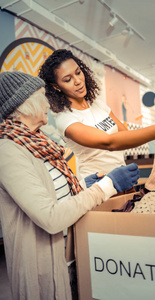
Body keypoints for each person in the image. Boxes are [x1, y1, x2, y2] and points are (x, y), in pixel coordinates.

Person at [0, 71, 140, 300]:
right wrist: (107, 186)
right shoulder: (8, 152)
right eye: (41, 96)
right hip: (44, 263)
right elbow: (51, 216)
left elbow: (50, 192)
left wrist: (84, 184)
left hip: (68, 252)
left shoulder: (38, 142)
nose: (47, 102)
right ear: (24, 104)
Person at [38, 49, 155, 181]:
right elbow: (109, 142)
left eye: (78, 72)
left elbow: (126, 136)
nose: (78, 81)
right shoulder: (65, 119)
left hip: (123, 176)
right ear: (56, 86)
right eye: (67, 79)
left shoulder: (99, 105)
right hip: (97, 183)